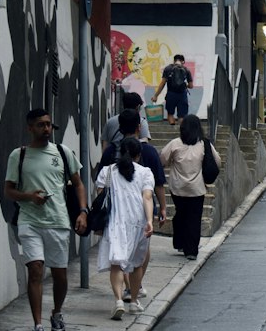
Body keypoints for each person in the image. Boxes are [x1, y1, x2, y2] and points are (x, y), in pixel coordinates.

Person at [4, 108, 88, 331]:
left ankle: (57, 313)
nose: (46, 129)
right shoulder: (18, 156)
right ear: (30, 128)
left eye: (49, 124)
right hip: (29, 221)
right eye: (40, 125)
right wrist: (29, 196)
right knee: (36, 271)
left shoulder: (63, 152)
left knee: (60, 275)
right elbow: (8, 191)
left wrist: (82, 212)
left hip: (59, 221)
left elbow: (78, 184)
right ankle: (38, 325)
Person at [95, 108, 167, 301]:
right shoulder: (149, 153)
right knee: (138, 258)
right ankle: (134, 292)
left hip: (115, 219)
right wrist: (162, 208)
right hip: (139, 217)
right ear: (139, 127)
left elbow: (100, 191)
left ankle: (123, 294)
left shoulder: (110, 152)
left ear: (119, 127)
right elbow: (155, 187)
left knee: (118, 259)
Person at [94, 138, 155, 318]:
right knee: (137, 264)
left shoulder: (107, 171)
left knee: (117, 263)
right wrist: (150, 220)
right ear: (139, 154)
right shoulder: (145, 172)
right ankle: (134, 301)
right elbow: (147, 197)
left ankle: (119, 300)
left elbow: (100, 197)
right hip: (139, 222)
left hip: (116, 221)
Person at [160, 115, 221, 260]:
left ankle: (180, 242)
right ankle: (191, 250)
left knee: (181, 213)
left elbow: (162, 159)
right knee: (194, 218)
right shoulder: (204, 144)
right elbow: (217, 161)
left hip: (177, 188)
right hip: (196, 189)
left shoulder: (175, 144)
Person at [155, 54, 192, 124]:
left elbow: (162, 83)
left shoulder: (168, 69)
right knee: (182, 116)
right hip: (182, 95)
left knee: (170, 114)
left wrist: (156, 95)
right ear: (183, 61)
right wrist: (185, 85)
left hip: (171, 94)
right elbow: (191, 85)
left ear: (174, 60)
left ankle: (172, 129)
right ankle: (181, 131)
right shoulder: (186, 70)